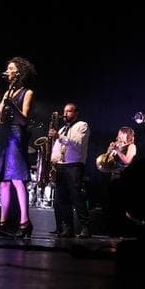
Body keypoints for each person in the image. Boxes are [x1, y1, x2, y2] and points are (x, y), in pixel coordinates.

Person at [0, 56, 35, 237]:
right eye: (7, 69)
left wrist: (11, 107)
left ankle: (25, 221)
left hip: (16, 135)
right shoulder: (7, 93)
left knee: (17, 178)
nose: (7, 71)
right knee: (4, 181)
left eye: (10, 69)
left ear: (18, 72)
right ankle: (4, 222)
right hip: (4, 135)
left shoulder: (27, 92)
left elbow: (24, 119)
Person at [49, 102, 91, 238]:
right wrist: (52, 161)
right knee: (62, 199)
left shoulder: (82, 125)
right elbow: (56, 148)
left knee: (77, 197)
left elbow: (77, 143)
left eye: (69, 111)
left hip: (74, 166)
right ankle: (68, 228)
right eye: (64, 111)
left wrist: (59, 137)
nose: (65, 114)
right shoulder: (61, 129)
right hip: (61, 166)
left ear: (76, 113)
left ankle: (86, 228)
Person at [104, 126, 137, 238]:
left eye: (121, 134)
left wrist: (117, 150)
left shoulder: (132, 146)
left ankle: (125, 231)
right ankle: (114, 230)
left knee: (124, 206)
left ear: (128, 136)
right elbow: (106, 161)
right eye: (118, 133)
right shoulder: (118, 146)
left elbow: (128, 161)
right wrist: (109, 151)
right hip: (114, 176)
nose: (119, 136)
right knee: (113, 206)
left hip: (126, 177)